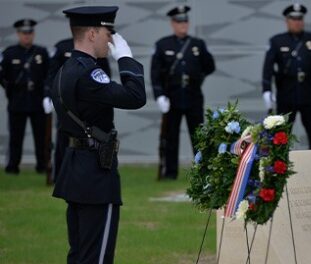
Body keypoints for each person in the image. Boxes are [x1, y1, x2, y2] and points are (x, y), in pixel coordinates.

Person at [51, 6, 146, 263]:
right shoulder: (89, 73)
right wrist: (126, 58)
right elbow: (136, 97)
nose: (111, 39)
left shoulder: (66, 69)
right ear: (92, 33)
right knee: (97, 257)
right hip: (95, 176)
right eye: (108, 32)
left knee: (80, 254)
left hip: (76, 170)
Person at [151, 5, 215, 180]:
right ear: (173, 23)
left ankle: (202, 171)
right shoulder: (163, 45)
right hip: (172, 96)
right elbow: (155, 73)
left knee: (199, 136)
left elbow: (209, 66)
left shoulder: (197, 44)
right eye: (179, 21)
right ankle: (170, 173)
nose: (183, 24)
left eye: (185, 21)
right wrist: (159, 95)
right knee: (171, 137)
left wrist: (198, 77)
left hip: (193, 96)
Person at [262, 3, 311, 149]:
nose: (297, 22)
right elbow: (267, 68)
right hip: (286, 93)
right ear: (287, 21)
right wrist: (267, 90)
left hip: (308, 92)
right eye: (293, 19)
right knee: (281, 136)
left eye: (300, 18)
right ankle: (279, 169)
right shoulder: (277, 41)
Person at [46, 37, 112, 182]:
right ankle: (60, 176)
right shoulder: (62, 47)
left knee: (95, 140)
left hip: (90, 104)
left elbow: (105, 76)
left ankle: (96, 175)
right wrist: (49, 95)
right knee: (63, 139)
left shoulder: (97, 49)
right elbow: (52, 74)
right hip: (67, 103)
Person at [0, 19, 49, 174]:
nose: (27, 36)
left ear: (33, 34)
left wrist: (47, 95)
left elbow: (48, 74)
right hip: (17, 101)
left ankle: (42, 165)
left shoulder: (41, 52)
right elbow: (2, 75)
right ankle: (13, 166)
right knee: (16, 137)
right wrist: (9, 90)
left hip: (37, 100)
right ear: (18, 34)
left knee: (41, 136)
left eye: (29, 33)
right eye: (24, 33)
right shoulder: (9, 53)